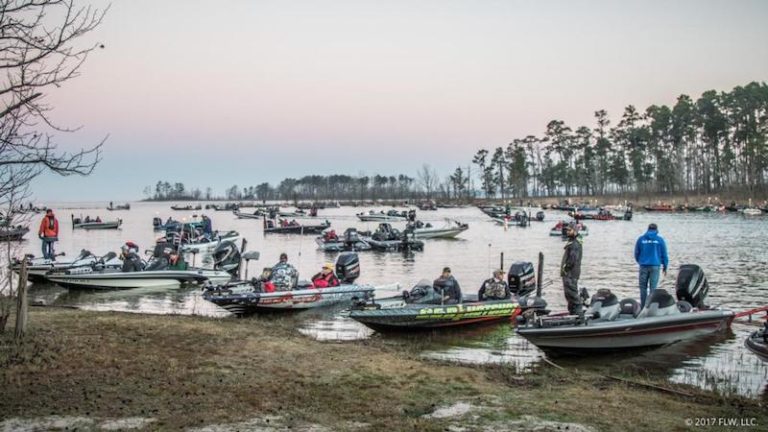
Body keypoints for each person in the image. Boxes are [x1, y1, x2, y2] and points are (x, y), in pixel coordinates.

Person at [634, 223, 669, 307]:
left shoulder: (641, 239)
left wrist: (640, 262)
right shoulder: (660, 240)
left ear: (648, 229)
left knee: (643, 288)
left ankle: (643, 307)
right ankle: (650, 307)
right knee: (653, 288)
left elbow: (636, 253)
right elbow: (664, 254)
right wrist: (665, 265)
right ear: (656, 230)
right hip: (655, 266)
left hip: (643, 266)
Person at [561, 225, 583, 314]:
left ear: (575, 231)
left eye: (569, 230)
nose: (567, 232)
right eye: (567, 230)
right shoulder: (572, 242)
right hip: (570, 273)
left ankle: (578, 314)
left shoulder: (575, 244)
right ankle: (572, 313)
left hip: (570, 274)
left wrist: (566, 269)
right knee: (569, 295)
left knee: (572, 294)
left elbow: (572, 259)